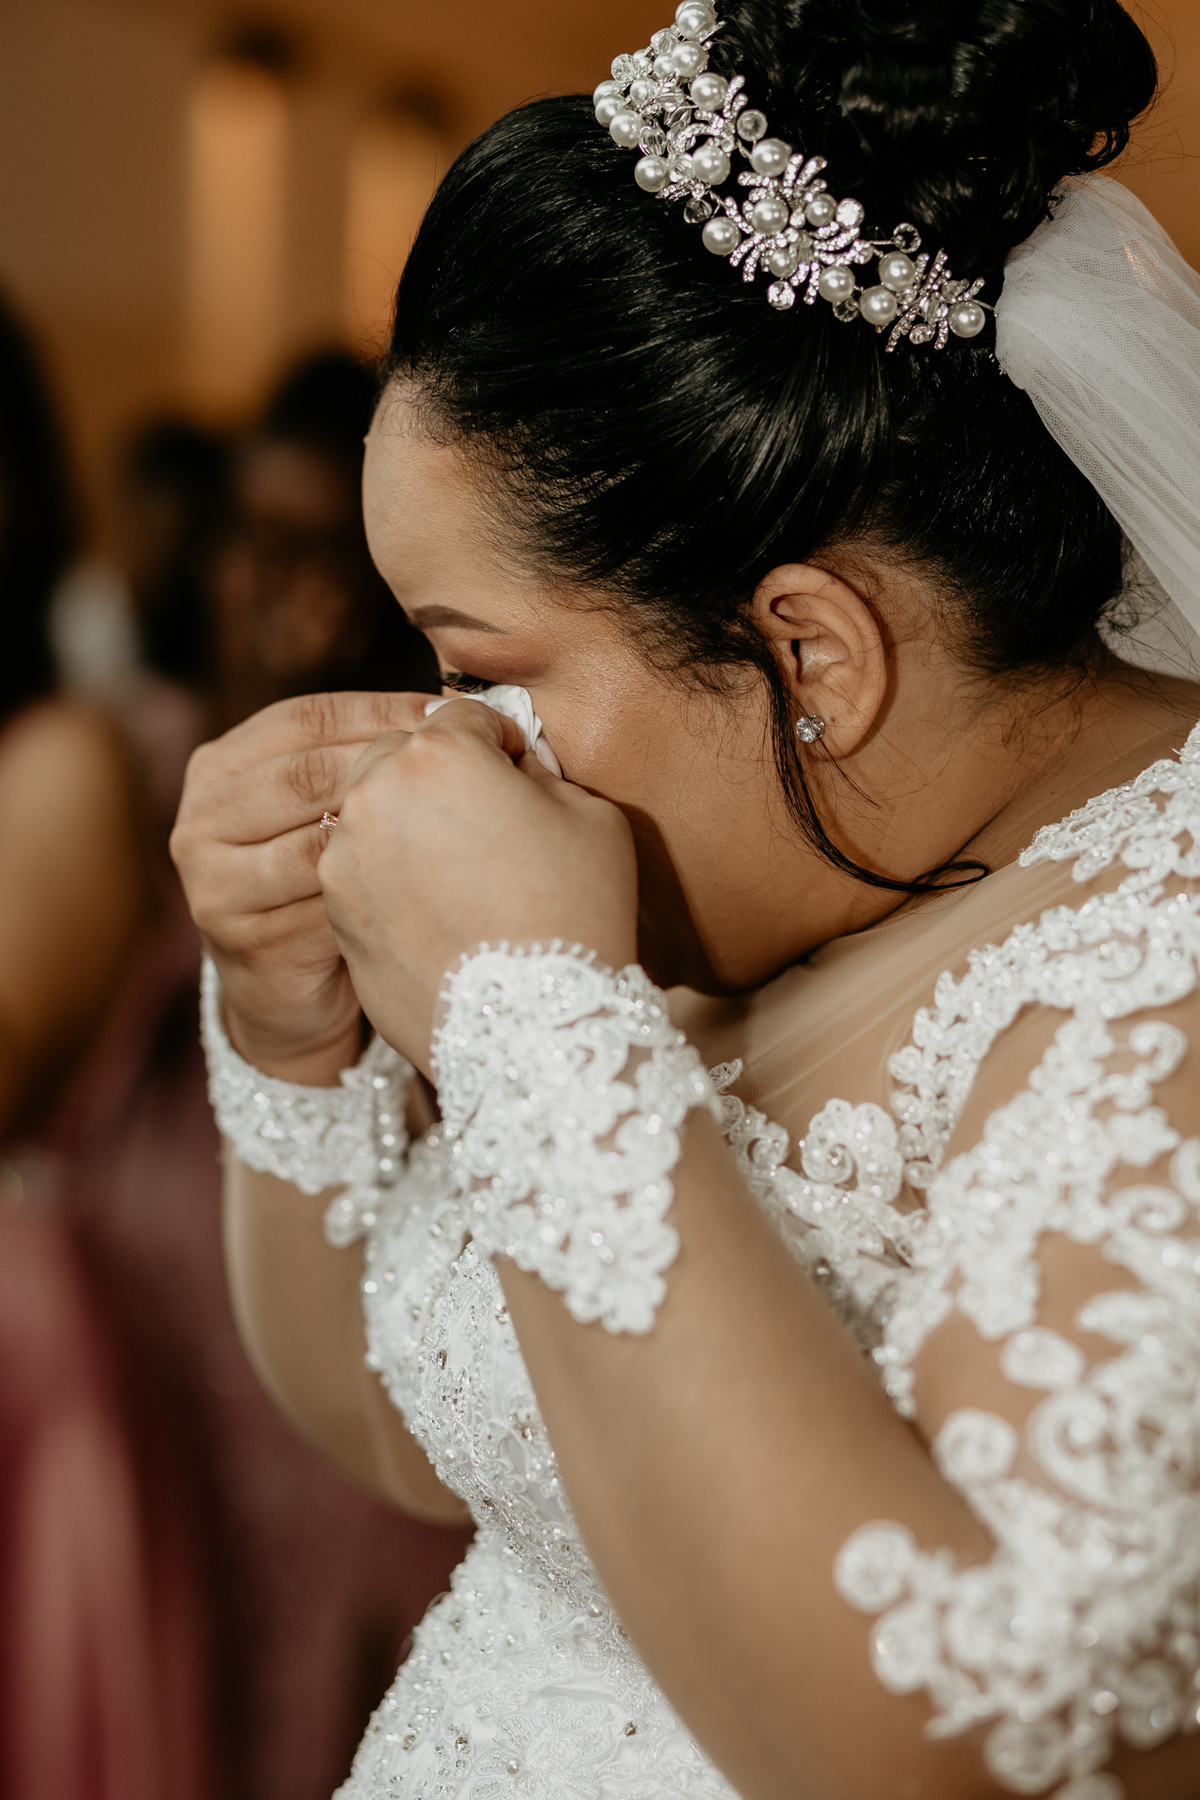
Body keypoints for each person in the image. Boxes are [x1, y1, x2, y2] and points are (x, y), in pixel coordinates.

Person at [170, 1, 1200, 1796]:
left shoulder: (1155, 966)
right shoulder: (730, 881)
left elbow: (978, 1736)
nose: (457, 744)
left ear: (808, 654)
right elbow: (420, 1435)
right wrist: (289, 1024)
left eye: (486, 668)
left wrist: (529, 1016)